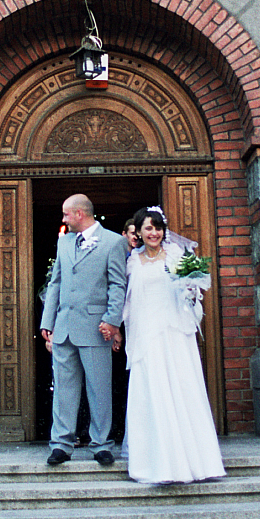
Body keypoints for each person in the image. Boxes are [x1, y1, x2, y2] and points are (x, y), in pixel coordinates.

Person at [122, 206, 225, 484]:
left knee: (181, 387)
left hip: (174, 332)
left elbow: (192, 294)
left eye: (157, 228)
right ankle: (157, 463)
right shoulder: (132, 261)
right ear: (139, 233)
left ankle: (194, 461)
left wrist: (192, 290)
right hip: (147, 334)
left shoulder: (178, 256)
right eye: (148, 228)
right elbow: (129, 302)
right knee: (152, 390)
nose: (153, 233)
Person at [39, 193, 128, 467]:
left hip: (95, 326)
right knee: (64, 389)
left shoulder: (114, 242)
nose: (63, 219)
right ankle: (61, 444)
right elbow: (55, 282)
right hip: (64, 326)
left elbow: (117, 284)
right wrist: (47, 321)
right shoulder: (64, 241)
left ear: (80, 213)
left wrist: (112, 320)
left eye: (66, 214)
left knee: (99, 388)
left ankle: (101, 444)